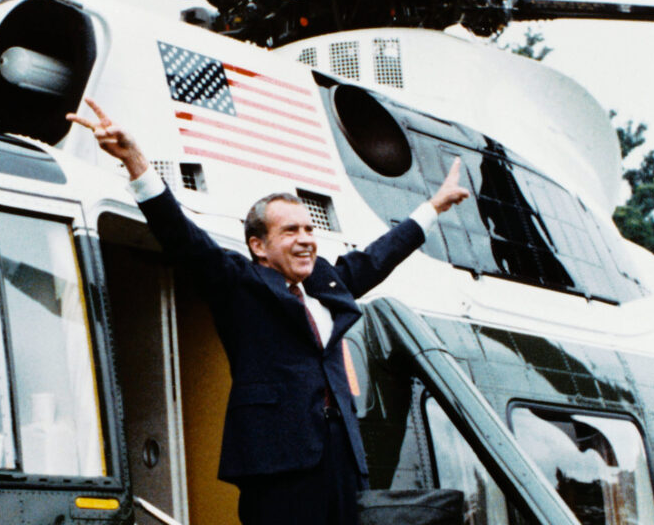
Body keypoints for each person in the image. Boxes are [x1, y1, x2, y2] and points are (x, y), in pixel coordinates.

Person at [68, 98, 469, 525]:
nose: (306, 239)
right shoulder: (239, 284)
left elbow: (376, 258)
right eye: (291, 230)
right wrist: (134, 160)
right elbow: (183, 237)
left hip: (341, 461)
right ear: (258, 246)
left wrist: (435, 207)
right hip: (280, 466)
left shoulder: (326, 282)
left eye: (310, 229)